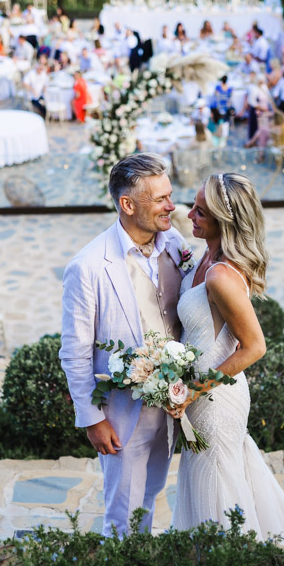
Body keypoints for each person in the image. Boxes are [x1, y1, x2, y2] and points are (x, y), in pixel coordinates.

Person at [170, 173, 284, 540]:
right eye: (193, 205)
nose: (190, 214)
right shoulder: (206, 255)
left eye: (201, 211)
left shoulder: (221, 275)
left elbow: (254, 347)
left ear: (223, 221)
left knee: (218, 483)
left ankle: (231, 563)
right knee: (211, 478)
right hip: (199, 396)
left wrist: (195, 390)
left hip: (215, 398)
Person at [59, 153, 188, 536]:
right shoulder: (88, 266)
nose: (171, 205)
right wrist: (92, 418)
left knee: (152, 492)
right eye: (161, 199)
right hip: (121, 414)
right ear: (127, 204)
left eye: (170, 195)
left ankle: (141, 565)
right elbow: (75, 350)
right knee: (123, 510)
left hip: (170, 405)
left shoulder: (176, 243)